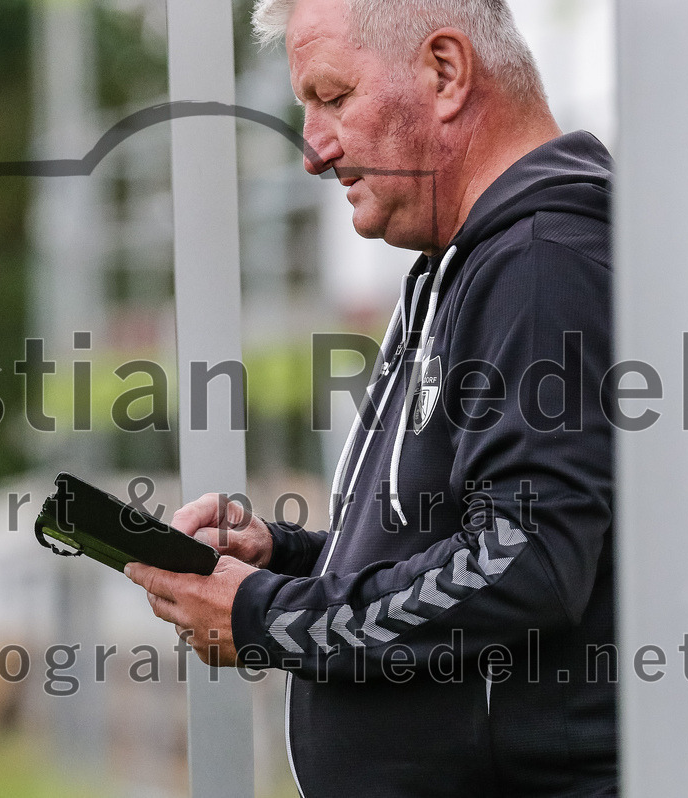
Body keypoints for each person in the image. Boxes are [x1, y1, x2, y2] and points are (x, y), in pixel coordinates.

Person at [126, 0, 617, 795]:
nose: (314, 151)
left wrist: (265, 614)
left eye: (333, 96)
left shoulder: (539, 265)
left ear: (446, 72)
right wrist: (285, 560)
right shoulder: (478, 262)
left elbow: (527, 565)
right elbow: (460, 549)